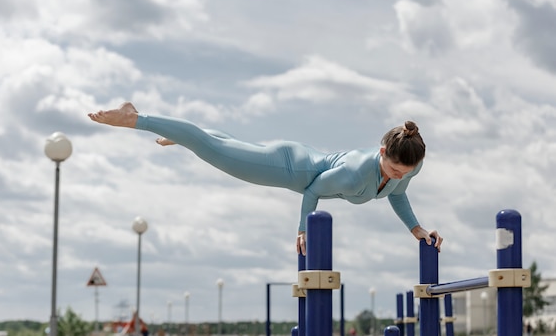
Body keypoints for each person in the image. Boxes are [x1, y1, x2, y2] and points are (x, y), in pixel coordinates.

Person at [88, 102, 443, 254]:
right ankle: (136, 118)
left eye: (406, 172)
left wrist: (417, 229)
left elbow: (397, 192)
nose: (400, 176)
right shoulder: (355, 172)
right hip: (289, 168)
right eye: (395, 169)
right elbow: (314, 188)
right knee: (213, 150)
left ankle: (185, 135)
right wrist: (303, 229)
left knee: (222, 146)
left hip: (299, 157)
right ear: (381, 152)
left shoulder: (411, 161)